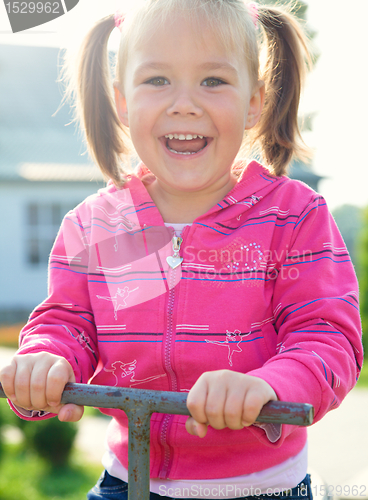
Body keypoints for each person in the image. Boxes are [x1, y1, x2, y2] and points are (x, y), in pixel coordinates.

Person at [0, 1, 363, 499]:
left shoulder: (294, 218)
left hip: (262, 488)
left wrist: (271, 384)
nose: (184, 104)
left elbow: (327, 338)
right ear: (122, 102)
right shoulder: (102, 224)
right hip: (128, 483)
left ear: (254, 101)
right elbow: (69, 325)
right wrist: (44, 361)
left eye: (213, 81)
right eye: (157, 80)